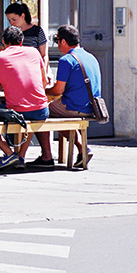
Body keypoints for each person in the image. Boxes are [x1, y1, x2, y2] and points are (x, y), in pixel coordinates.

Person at [27, 24, 102, 170]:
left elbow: (57, 90)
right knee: (53, 112)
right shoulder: (91, 57)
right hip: (91, 107)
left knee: (40, 112)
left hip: (73, 107)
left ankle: (47, 156)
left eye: (57, 41)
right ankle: (83, 148)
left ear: (63, 42)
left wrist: (42, 90)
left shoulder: (66, 60)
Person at [0, 25, 50, 171]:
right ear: (22, 41)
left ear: (3, 41)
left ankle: (9, 153)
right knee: (32, 115)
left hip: (17, 111)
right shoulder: (34, 52)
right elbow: (44, 81)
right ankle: (20, 156)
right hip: (42, 109)